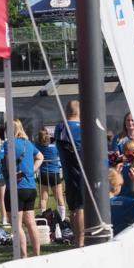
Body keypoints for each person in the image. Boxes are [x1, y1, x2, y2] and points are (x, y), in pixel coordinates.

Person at [3, 120, 44, 258]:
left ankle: (23, 255)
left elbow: (8, 165)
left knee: (16, 224)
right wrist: (31, 170)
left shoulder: (9, 144)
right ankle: (37, 254)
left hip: (16, 188)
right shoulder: (28, 143)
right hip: (30, 187)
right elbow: (40, 157)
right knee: (31, 223)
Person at [55, 100, 85, 247]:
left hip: (68, 173)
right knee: (80, 208)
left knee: (74, 209)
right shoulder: (82, 128)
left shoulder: (60, 128)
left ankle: (75, 239)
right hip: (82, 174)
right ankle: (80, 241)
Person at [36, 127, 65, 219]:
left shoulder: (38, 147)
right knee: (59, 197)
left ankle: (43, 217)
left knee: (43, 198)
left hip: (43, 173)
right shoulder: (55, 147)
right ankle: (62, 217)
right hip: (54, 173)